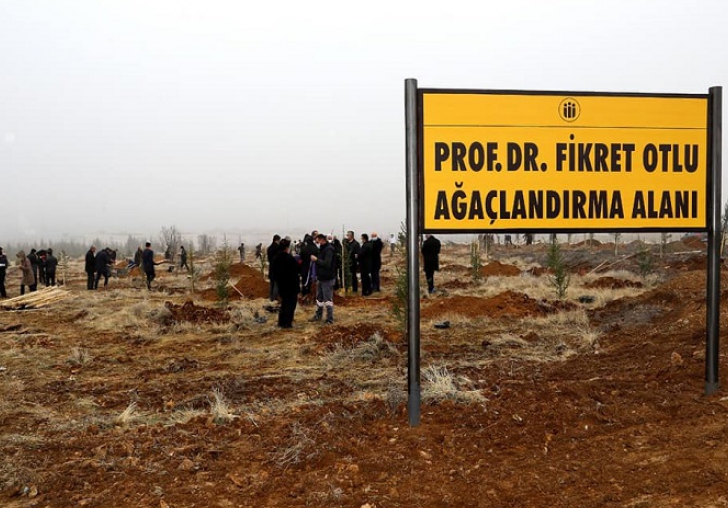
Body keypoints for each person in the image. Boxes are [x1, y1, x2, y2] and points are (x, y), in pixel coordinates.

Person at [271, 238, 300, 328]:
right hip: (291, 286)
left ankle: (281, 322)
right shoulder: (290, 259)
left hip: (281, 286)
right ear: (287, 248)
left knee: (284, 304)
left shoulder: (275, 259)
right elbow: (295, 273)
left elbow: (273, 273)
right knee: (290, 305)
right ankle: (287, 323)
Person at [310, 233, 336, 324]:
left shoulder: (329, 250)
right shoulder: (322, 249)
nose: (317, 242)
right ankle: (318, 315)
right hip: (321, 278)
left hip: (327, 278)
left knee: (328, 299)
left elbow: (327, 264)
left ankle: (330, 319)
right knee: (319, 299)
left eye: (318, 240)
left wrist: (316, 260)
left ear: (322, 240)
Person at [267, 234, 281, 301]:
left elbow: (268, 259)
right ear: (277, 240)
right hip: (277, 268)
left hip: (271, 268)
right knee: (276, 284)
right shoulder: (278, 248)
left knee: (271, 284)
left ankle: (271, 298)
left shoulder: (269, 248)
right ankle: (275, 298)